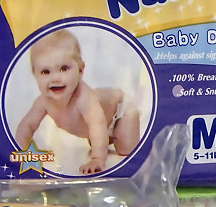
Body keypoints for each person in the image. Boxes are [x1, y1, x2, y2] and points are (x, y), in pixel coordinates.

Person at [13, 28, 141, 174]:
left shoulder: (84, 98)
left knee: (125, 149)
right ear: (34, 75)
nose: (55, 78)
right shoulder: (43, 102)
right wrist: (22, 152)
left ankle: (113, 137)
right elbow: (26, 126)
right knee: (97, 139)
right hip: (100, 124)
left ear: (80, 69)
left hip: (121, 111)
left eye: (64, 68)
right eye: (45, 72)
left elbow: (97, 124)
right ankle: (108, 139)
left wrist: (97, 159)